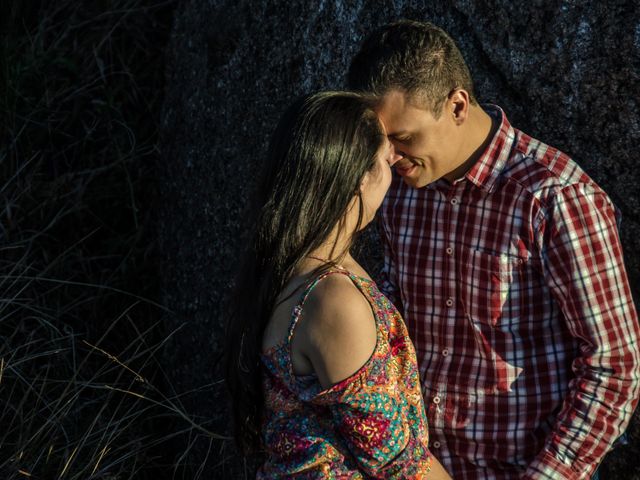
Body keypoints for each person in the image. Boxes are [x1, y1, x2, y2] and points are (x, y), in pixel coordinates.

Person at [348, 19, 640, 479]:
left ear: (457, 105)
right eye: (379, 141)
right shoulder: (398, 191)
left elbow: (613, 366)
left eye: (402, 137)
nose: (388, 155)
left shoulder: (554, 197)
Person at [224, 91, 452, 478]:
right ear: (357, 178)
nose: (396, 160)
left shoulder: (296, 271)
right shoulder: (333, 301)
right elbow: (397, 464)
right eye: (384, 158)